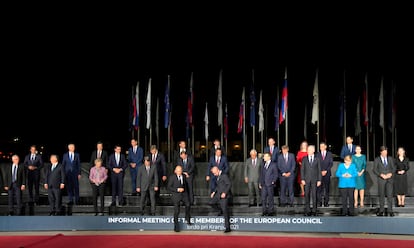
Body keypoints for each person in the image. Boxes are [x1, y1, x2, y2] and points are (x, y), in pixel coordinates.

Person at [168, 165, 192, 232]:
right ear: (175, 171)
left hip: (184, 194)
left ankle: (187, 218)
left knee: (188, 204)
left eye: (180, 171)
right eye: (178, 171)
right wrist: (177, 189)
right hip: (176, 195)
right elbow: (169, 187)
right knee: (177, 211)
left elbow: (185, 185)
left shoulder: (184, 176)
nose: (179, 172)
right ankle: (176, 226)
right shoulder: (172, 177)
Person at [373, 146, 395, 217]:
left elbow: (394, 168)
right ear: (381, 152)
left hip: (389, 179)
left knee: (389, 195)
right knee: (381, 195)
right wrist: (381, 174)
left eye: (386, 151)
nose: (385, 153)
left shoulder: (390, 159)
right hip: (381, 179)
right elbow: (375, 169)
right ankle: (381, 210)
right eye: (384, 151)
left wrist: (391, 173)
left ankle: (390, 211)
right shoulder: (377, 159)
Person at [209, 165, 232, 233]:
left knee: (225, 211)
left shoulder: (224, 175)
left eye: (214, 173)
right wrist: (214, 192)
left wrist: (225, 193)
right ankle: (220, 210)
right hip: (218, 194)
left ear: (217, 170)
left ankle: (227, 228)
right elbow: (218, 185)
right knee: (211, 203)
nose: (214, 174)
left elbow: (229, 184)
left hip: (224, 196)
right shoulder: (218, 176)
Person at [301, 144, 321, 216]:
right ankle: (308, 210)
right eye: (308, 150)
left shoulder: (317, 159)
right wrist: (302, 179)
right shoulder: (304, 159)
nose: (308, 151)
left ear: (313, 150)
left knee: (314, 195)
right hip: (306, 180)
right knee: (307, 195)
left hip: (315, 180)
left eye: (310, 150)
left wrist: (319, 180)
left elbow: (319, 170)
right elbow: (302, 170)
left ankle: (314, 210)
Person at [316, 142, 333, 207]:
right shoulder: (317, 154)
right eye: (320, 146)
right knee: (319, 189)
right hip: (319, 174)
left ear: (325, 147)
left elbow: (331, 163)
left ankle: (326, 202)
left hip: (327, 173)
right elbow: (316, 164)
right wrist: (320, 171)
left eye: (322, 146)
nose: (321, 147)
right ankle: (319, 202)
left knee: (327, 189)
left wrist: (326, 170)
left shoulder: (329, 154)